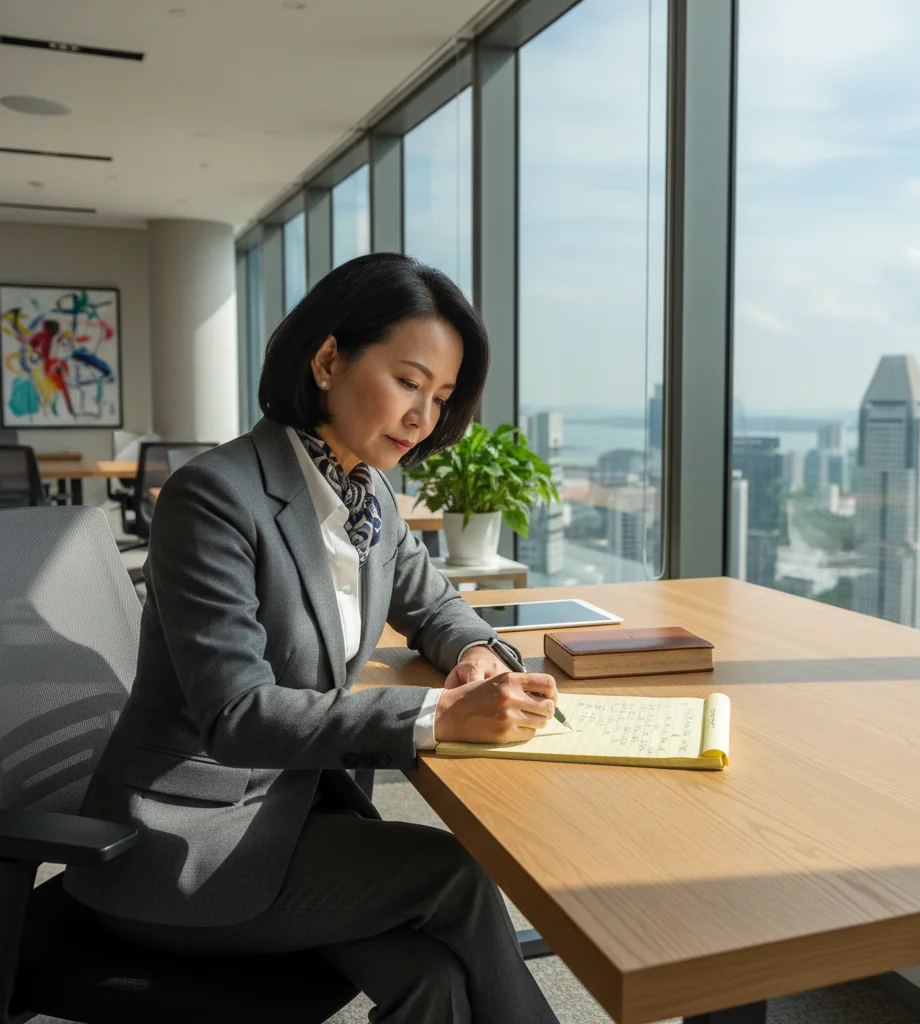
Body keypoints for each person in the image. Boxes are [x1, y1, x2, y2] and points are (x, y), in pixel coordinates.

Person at [64, 253, 561, 1023]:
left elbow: (436, 606)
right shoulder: (215, 497)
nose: (423, 417)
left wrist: (474, 655)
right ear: (329, 359)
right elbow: (238, 716)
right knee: (453, 873)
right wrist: (435, 719)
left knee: (436, 978)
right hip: (180, 844)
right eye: (408, 381)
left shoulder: (368, 496)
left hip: (289, 816)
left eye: (441, 396)